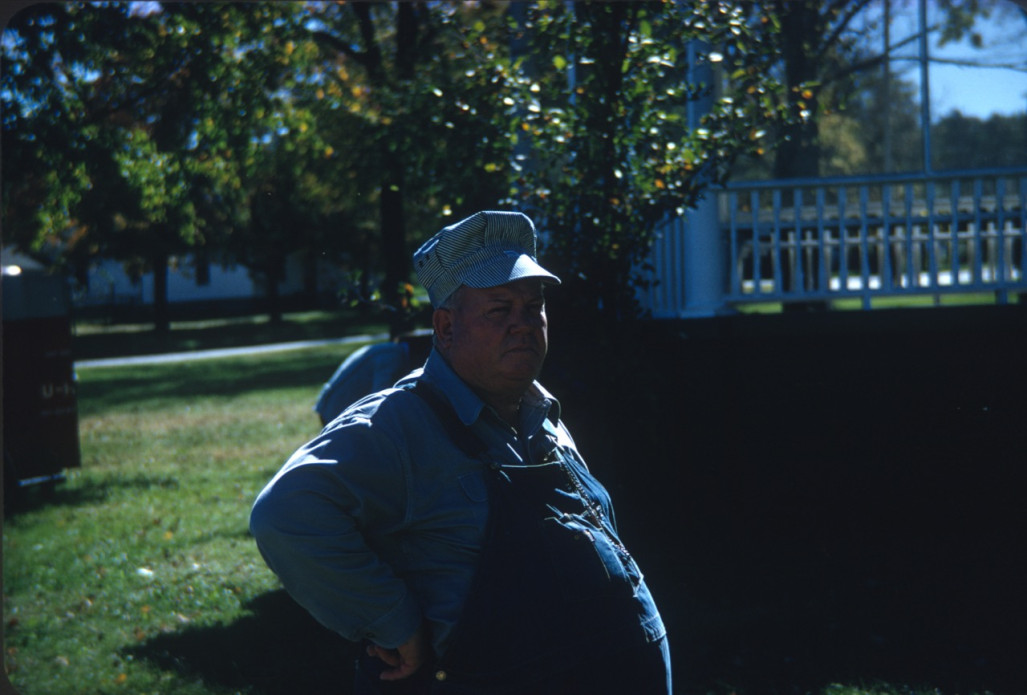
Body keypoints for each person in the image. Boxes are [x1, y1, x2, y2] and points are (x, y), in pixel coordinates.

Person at [250, 210, 671, 694]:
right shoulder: (400, 424)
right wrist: (392, 621)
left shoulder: (541, 413)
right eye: (499, 310)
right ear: (446, 328)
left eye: (533, 306)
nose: (524, 324)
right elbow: (283, 515)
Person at [314, 330, 434, 426]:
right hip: (335, 410)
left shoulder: (390, 350)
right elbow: (379, 404)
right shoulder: (392, 358)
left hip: (329, 405)